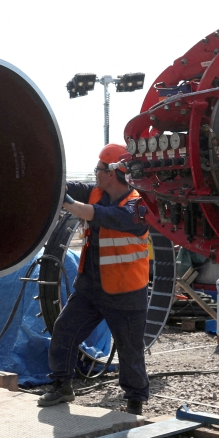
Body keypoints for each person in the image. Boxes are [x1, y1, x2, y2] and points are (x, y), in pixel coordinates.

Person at [39, 143, 150, 415]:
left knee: (130, 350)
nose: (95, 173)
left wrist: (67, 203)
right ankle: (61, 385)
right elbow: (64, 186)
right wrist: (47, 179)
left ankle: (135, 400)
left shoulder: (137, 206)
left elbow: (99, 215)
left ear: (112, 172)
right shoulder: (95, 192)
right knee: (65, 329)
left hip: (125, 292)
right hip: (91, 287)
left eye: (99, 168)